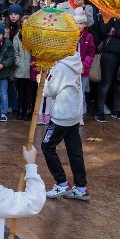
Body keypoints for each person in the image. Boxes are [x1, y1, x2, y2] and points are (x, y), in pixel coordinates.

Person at [40, 46, 89, 201]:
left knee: (47, 146)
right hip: (74, 114)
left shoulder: (61, 66)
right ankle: (81, 187)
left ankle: (61, 183)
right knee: (74, 150)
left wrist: (42, 79)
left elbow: (48, 91)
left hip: (61, 116)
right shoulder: (75, 60)